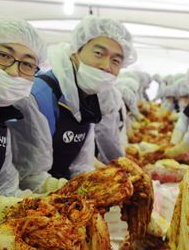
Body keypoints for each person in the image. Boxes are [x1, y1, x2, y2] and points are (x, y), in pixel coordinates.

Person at [9, 16, 136, 191]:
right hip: (32, 202)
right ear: (76, 51)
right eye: (98, 53)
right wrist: (78, 191)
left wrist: (93, 184)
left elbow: (82, 164)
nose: (106, 66)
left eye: (116, 60)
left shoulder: (89, 99)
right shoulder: (39, 96)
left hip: (63, 196)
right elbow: (29, 176)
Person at [0, 18, 46, 203]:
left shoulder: (3, 115)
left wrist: (26, 203)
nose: (12, 71)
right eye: (3, 55)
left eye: (27, 64)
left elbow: (5, 183)